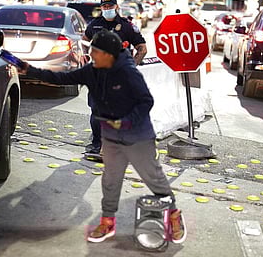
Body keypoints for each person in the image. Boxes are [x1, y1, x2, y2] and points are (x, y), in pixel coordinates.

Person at [17, 29, 186, 244]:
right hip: (111, 135)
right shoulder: (92, 71)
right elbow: (61, 77)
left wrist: (126, 122)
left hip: (137, 137)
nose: (92, 55)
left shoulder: (128, 72)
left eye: (95, 52)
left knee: (154, 179)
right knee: (110, 180)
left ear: (108, 54)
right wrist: (29, 70)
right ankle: (108, 221)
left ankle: (173, 215)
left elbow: (146, 101)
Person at [82, 0, 147, 158]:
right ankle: (97, 144)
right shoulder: (95, 25)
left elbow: (142, 48)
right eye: (104, 7)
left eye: (110, 6)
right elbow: (83, 42)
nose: (107, 9)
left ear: (116, 7)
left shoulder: (127, 26)